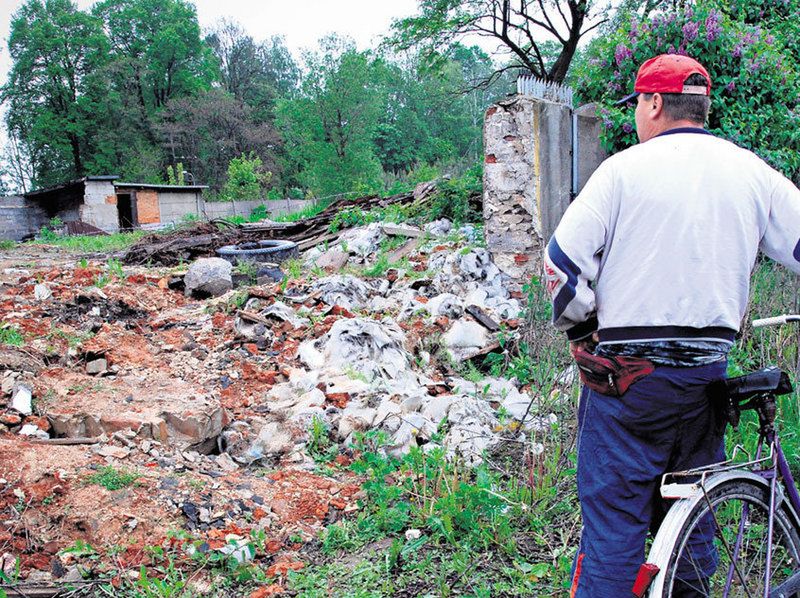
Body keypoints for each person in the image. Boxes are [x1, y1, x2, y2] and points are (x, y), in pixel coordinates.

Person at [544, 53, 800, 597]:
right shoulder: (750, 171)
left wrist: (582, 334)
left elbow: (560, 267)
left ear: (655, 103)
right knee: (693, 515)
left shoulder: (622, 171)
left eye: (638, 102)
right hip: (706, 375)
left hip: (627, 379)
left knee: (614, 530)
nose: (637, 114)